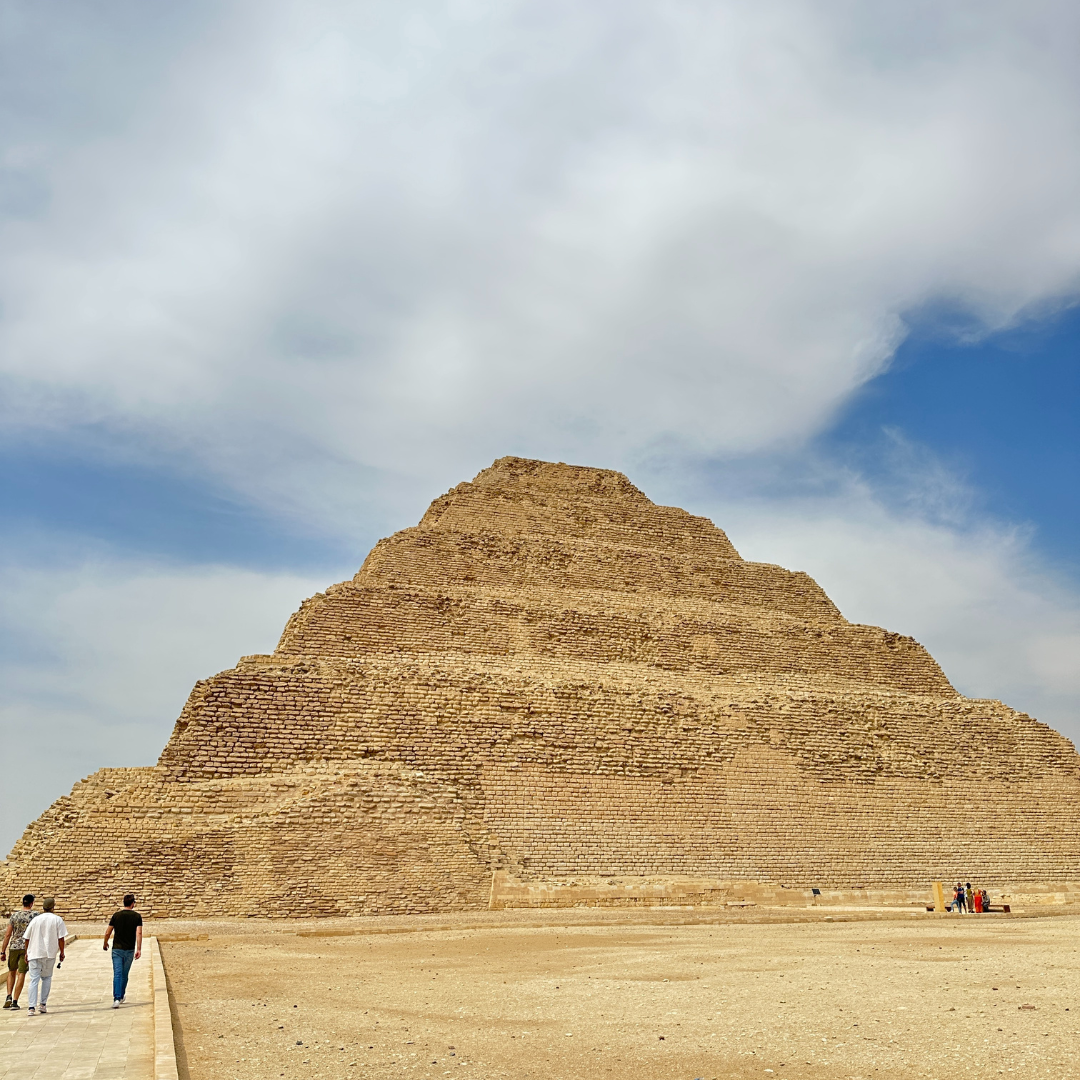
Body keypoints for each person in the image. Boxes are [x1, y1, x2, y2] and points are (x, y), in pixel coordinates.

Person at [22, 897, 66, 1016]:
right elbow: (61, 938)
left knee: (34, 980)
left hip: (35, 952)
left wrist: (27, 952)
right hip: (49, 953)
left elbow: (27, 938)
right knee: (46, 978)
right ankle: (43, 1004)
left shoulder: (36, 920)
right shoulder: (57, 919)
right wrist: (62, 952)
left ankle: (31, 1007)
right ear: (53, 907)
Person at [103, 893, 142, 1008]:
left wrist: (105, 943)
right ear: (132, 903)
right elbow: (139, 933)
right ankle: (121, 995)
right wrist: (139, 948)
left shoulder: (116, 915)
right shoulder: (137, 916)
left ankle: (116, 998)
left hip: (117, 949)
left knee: (117, 974)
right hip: (129, 949)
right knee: (124, 974)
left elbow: (107, 932)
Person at [1, 894, 36, 1010]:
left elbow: (7, 935)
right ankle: (15, 1001)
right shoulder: (35, 915)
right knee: (21, 973)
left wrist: (2, 951)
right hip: (27, 947)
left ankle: (8, 996)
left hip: (14, 947)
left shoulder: (14, 916)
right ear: (31, 903)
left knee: (11, 971)